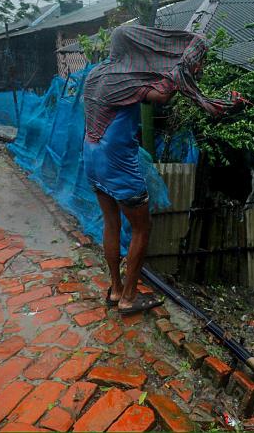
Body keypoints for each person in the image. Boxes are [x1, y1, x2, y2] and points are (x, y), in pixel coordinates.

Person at [83, 25, 241, 316]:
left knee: (111, 223)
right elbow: (162, 97)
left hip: (91, 156)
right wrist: (180, 70)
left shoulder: (96, 73)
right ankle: (129, 297)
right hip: (116, 161)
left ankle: (116, 289)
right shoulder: (125, 78)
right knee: (143, 227)